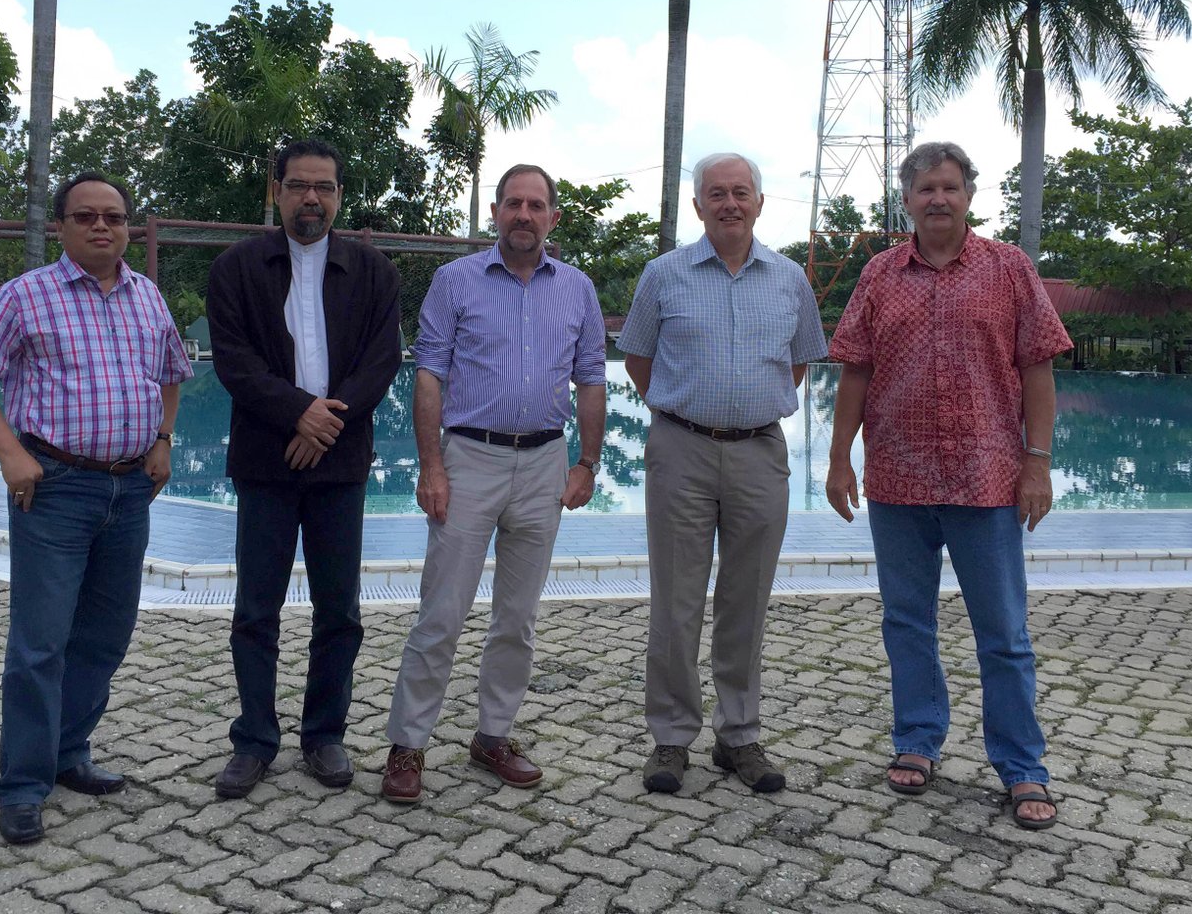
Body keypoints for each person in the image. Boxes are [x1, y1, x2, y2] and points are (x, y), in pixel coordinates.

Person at [824, 141, 1072, 832]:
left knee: (1004, 635)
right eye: (925, 188)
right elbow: (856, 373)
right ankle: (918, 740)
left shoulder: (1009, 270)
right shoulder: (879, 275)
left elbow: (1038, 369)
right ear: (906, 199)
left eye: (950, 187)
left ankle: (1022, 766)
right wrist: (840, 458)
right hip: (899, 480)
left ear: (968, 196)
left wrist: (1037, 461)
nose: (938, 198)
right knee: (907, 624)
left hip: (988, 480)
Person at [0, 172, 192, 846]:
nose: (100, 227)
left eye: (113, 217)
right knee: (40, 644)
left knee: (105, 636)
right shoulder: (25, 296)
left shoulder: (147, 297)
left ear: (128, 228)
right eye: (85, 216)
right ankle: (22, 786)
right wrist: (9, 454)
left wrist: (164, 441)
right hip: (54, 486)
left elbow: (173, 372)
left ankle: (68, 753)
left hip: (130, 487)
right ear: (62, 226)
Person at [381, 164, 606, 804]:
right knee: (442, 613)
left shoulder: (578, 290)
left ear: (553, 218)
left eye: (536, 205)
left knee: (518, 618)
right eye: (513, 204)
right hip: (470, 458)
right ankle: (408, 745)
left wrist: (587, 462)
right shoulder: (455, 281)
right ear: (496, 213)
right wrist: (432, 467)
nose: (524, 215)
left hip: (543, 463)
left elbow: (591, 378)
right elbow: (429, 376)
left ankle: (493, 735)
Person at [618, 152, 828, 795]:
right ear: (698, 205)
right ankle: (672, 739)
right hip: (681, 449)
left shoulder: (791, 279)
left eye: (742, 192)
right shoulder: (664, 275)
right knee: (676, 603)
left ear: (760, 203)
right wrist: (697, 409)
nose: (730, 203)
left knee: (747, 603)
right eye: (717, 193)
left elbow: (798, 365)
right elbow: (639, 360)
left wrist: (745, 410)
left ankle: (738, 737)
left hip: (759, 454)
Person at [206, 139, 402, 798]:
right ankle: (256, 740)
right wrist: (298, 414)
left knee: (338, 609)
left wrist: (326, 426)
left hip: (339, 464)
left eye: (324, 186)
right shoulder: (236, 267)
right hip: (266, 460)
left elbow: (381, 361)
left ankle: (324, 735)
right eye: (298, 186)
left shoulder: (372, 271)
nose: (311, 198)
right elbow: (234, 362)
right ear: (277, 191)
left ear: (340, 195)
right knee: (255, 610)